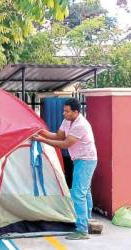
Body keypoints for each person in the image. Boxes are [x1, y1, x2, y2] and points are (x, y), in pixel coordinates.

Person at [33, 98, 97, 240]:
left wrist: (41, 139)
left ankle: (82, 230)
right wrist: (40, 131)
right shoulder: (68, 120)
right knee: (84, 192)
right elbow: (58, 135)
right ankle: (87, 220)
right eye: (64, 110)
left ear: (76, 112)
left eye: (67, 111)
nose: (64, 113)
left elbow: (65, 144)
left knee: (78, 193)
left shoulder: (81, 125)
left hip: (86, 160)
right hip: (80, 159)